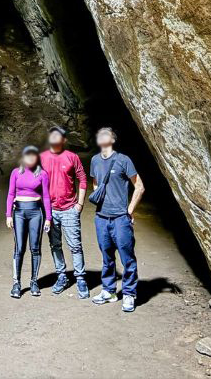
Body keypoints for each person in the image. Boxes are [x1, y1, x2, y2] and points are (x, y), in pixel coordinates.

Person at [89, 127, 145, 312]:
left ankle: (129, 294)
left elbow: (139, 186)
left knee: (127, 258)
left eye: (105, 133)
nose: (101, 135)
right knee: (107, 257)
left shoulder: (123, 160)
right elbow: (96, 184)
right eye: (99, 133)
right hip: (101, 217)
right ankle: (109, 291)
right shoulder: (95, 160)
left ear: (112, 139)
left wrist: (129, 210)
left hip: (120, 218)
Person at [40, 125, 89, 298]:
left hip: (69, 209)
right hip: (50, 211)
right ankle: (61, 276)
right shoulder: (42, 158)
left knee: (75, 246)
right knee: (55, 245)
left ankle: (80, 278)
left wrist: (79, 205)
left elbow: (83, 179)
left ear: (64, 139)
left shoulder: (72, 157)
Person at [6, 145, 52, 298]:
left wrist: (48, 218)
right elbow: (11, 194)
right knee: (19, 248)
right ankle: (16, 284)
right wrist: (8, 215)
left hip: (36, 213)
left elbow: (46, 196)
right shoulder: (16, 172)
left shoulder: (42, 174)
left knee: (35, 248)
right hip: (19, 212)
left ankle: (34, 282)